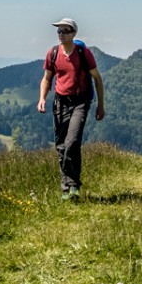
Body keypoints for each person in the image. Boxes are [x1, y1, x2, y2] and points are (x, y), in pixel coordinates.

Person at [37, 17, 105, 199]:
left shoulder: (83, 53)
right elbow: (47, 78)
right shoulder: (52, 54)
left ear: (74, 33)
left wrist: (100, 105)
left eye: (65, 31)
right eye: (59, 31)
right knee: (61, 146)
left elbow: (97, 79)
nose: (61, 34)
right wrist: (42, 98)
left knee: (72, 142)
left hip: (80, 102)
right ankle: (67, 188)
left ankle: (73, 184)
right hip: (60, 103)